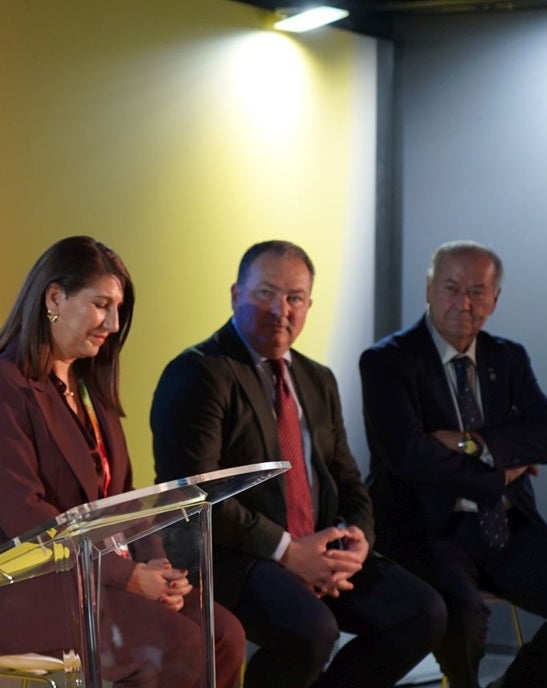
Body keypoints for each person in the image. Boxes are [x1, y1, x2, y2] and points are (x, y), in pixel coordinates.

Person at [151, 239, 446, 688]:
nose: (280, 310)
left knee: (422, 613)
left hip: (316, 547)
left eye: (295, 298)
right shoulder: (200, 372)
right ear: (235, 295)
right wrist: (289, 552)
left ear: (309, 303)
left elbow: (346, 475)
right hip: (236, 555)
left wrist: (356, 542)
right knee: (311, 631)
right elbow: (194, 494)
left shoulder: (316, 378)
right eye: (265, 293)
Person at [0, 236, 246, 688]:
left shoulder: (89, 386)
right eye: (100, 305)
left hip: (100, 580)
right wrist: (129, 576)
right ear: (54, 298)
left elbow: (127, 498)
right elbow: (28, 521)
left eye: (117, 309)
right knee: (175, 647)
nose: (112, 323)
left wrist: (160, 572)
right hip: (23, 593)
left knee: (225, 634)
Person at [360, 240, 547, 688]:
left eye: (476, 290)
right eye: (451, 288)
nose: (463, 303)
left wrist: (472, 443)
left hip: (506, 526)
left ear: (495, 298)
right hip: (431, 529)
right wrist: (501, 469)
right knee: (464, 616)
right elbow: (410, 455)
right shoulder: (387, 362)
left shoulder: (508, 357)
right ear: (429, 288)